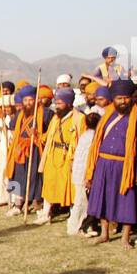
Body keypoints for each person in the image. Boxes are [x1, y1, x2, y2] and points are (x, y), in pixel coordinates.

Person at [85, 78, 137, 247]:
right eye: (119, 98)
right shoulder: (107, 115)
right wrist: (91, 168)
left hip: (126, 165)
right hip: (103, 162)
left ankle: (125, 237)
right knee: (102, 197)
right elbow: (96, 142)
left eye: (126, 97)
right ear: (113, 99)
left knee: (126, 200)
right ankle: (105, 233)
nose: (123, 101)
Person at [37, 87, 85, 225]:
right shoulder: (55, 118)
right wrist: (38, 135)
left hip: (69, 156)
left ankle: (73, 215)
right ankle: (46, 214)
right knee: (49, 183)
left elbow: (82, 139)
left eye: (60, 103)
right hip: (53, 154)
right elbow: (48, 136)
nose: (57, 106)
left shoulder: (80, 118)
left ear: (69, 103)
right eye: (56, 103)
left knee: (70, 186)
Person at [4, 83, 46, 217]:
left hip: (34, 151)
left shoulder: (45, 113)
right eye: (25, 100)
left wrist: (38, 135)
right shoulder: (19, 114)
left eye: (31, 100)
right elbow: (12, 129)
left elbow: (49, 134)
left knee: (35, 179)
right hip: (19, 150)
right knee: (17, 177)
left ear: (36, 99)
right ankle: (17, 205)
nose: (28, 103)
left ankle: (38, 207)